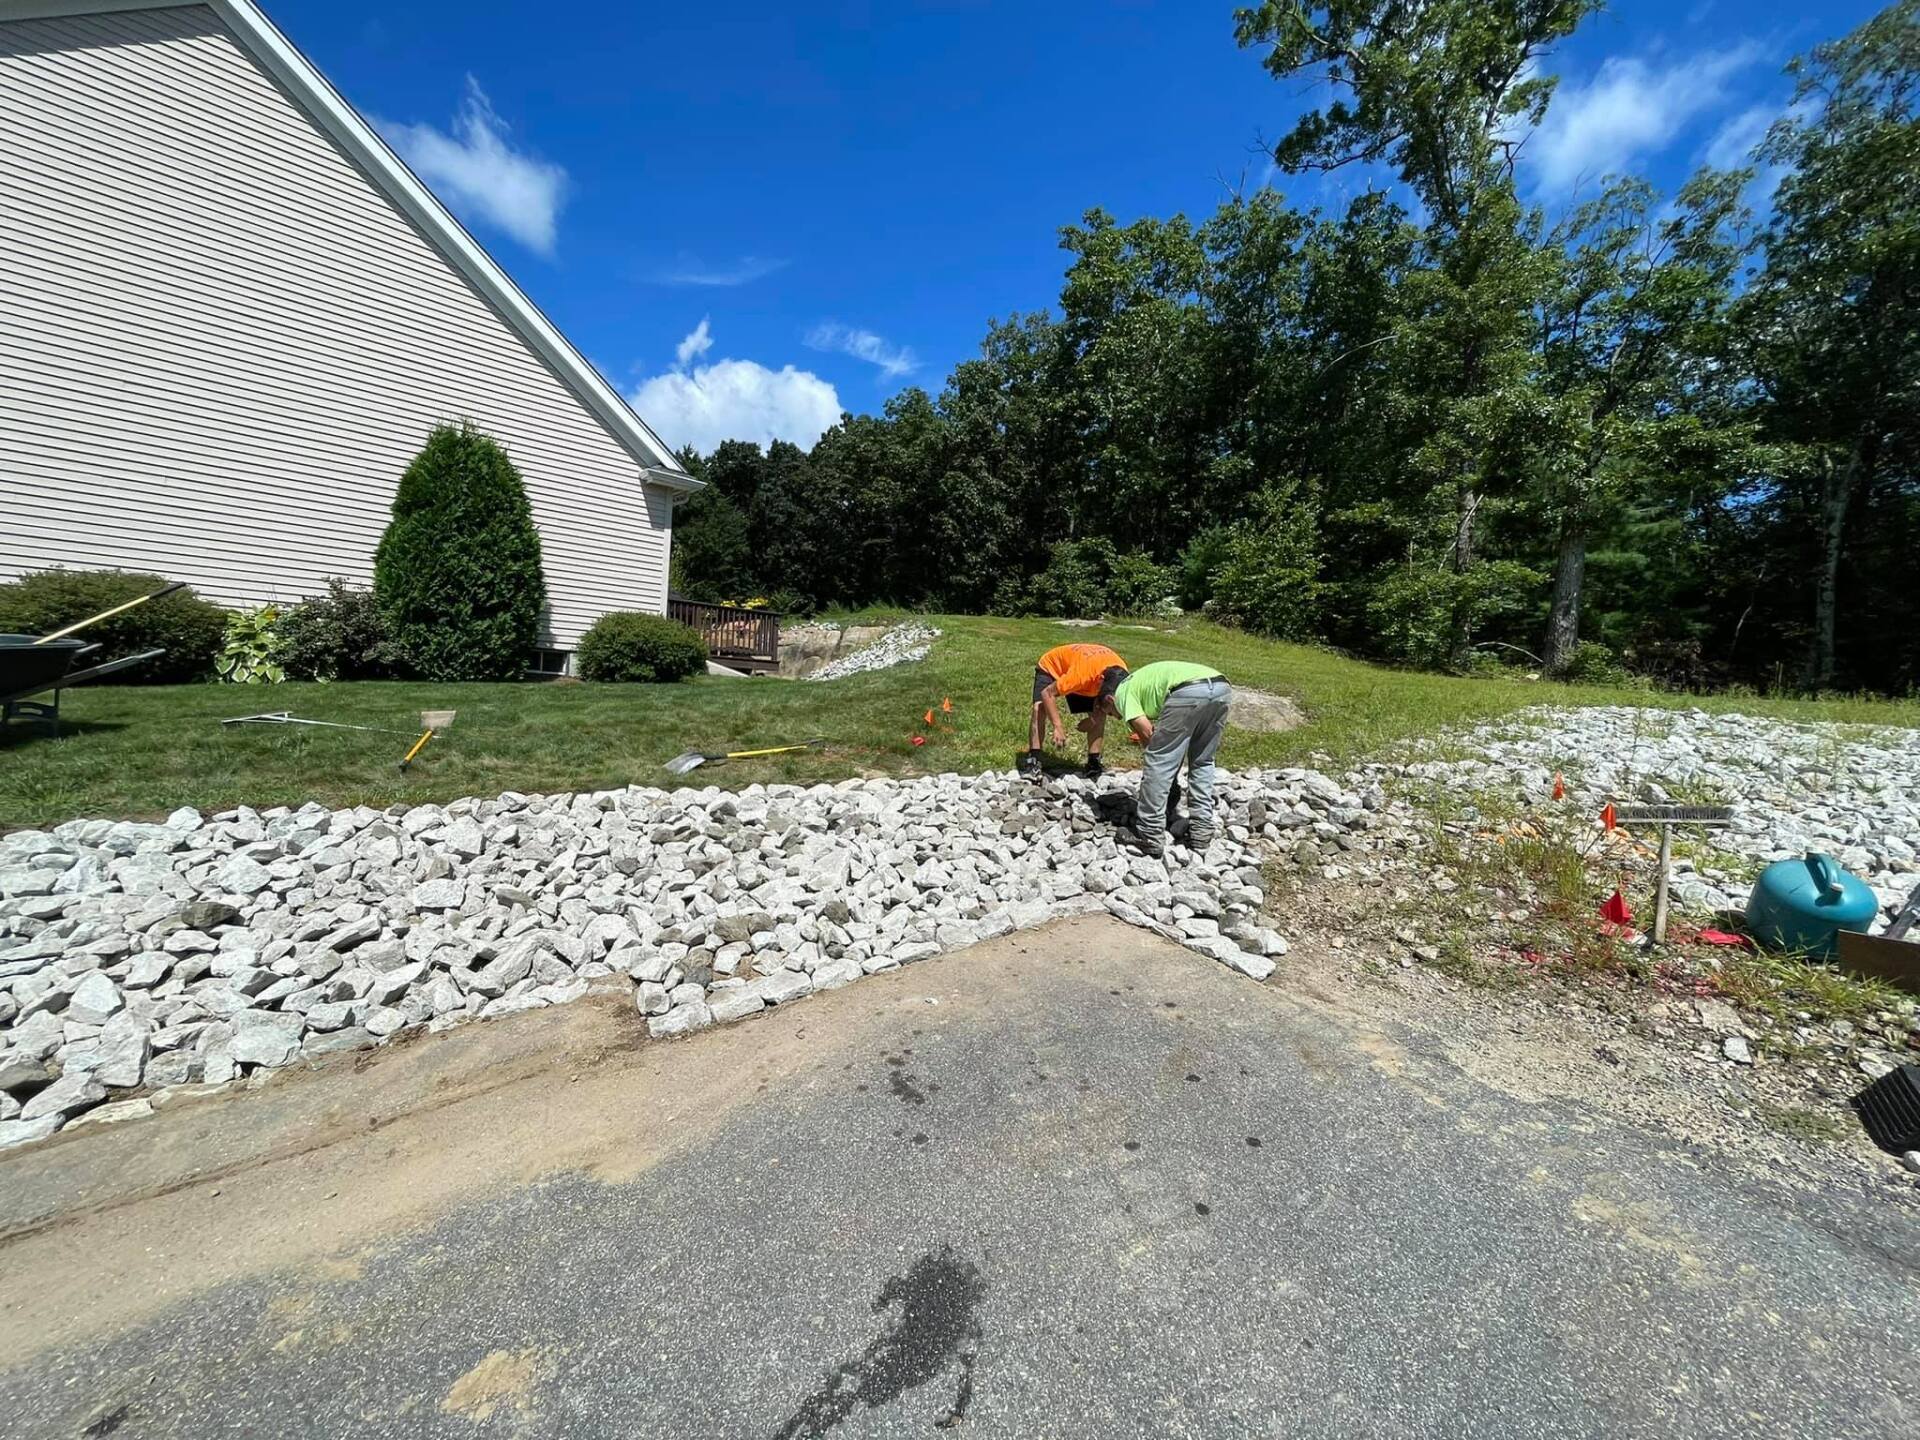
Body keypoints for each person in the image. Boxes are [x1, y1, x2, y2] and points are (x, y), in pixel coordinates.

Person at [1101, 660, 1232, 858]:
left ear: (1109, 700)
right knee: (1202, 761)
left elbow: (1147, 735)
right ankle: (1201, 833)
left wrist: (1166, 779)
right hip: (1221, 686)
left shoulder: (1122, 693)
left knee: (1158, 763)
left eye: (1111, 714)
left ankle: (1149, 835)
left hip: (1187, 692)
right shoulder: (1141, 680)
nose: (1117, 718)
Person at [1022, 643, 1129, 780]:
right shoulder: (1081, 675)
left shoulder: (1122, 677)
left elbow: (1102, 703)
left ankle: (1093, 763)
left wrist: (1093, 720)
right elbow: (1047, 693)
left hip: (1089, 674)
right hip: (1052, 668)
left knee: (1100, 712)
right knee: (1040, 707)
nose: (1116, 717)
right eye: (1112, 712)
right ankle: (1034, 760)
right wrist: (1058, 727)